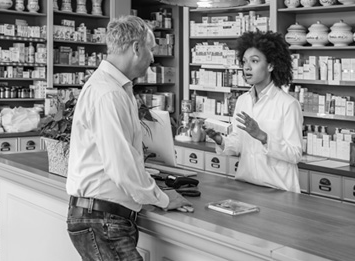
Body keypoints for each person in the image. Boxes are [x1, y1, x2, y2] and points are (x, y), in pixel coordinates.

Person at [66, 15, 192, 261]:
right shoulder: (108, 94)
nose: (153, 57)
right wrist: (163, 198)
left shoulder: (115, 89)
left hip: (102, 218)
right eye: (151, 48)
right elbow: (121, 165)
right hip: (101, 220)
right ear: (136, 48)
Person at [205, 31, 303, 193]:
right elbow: (237, 145)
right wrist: (220, 140)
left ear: (271, 65)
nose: (247, 67)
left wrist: (263, 137)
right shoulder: (243, 100)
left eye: (254, 61)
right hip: (247, 186)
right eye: (244, 62)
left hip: (278, 190)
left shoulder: (288, 104)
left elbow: (295, 154)